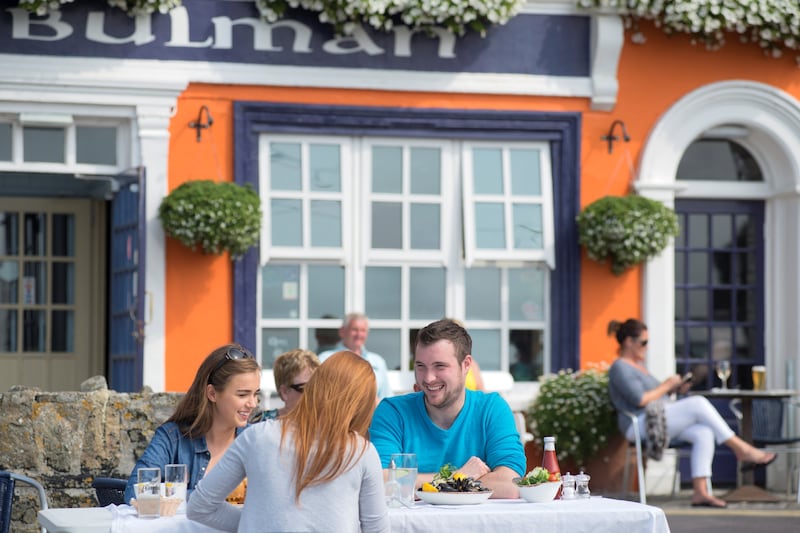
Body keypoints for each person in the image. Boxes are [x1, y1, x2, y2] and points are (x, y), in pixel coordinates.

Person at [187, 351, 389, 532]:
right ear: (362, 403)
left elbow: (199, 507)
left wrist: (258, 523)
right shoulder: (362, 452)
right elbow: (377, 530)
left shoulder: (256, 437)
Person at [607, 318, 776, 508]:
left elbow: (657, 396)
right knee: (698, 403)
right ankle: (741, 449)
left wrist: (676, 388)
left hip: (657, 420)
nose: (646, 347)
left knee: (704, 432)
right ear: (629, 341)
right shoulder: (620, 367)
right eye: (643, 342)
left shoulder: (640, 367)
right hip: (638, 424)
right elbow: (640, 400)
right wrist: (667, 385)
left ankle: (700, 492)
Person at [369, 318, 526, 499]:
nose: (428, 378)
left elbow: (509, 485)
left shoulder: (491, 408)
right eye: (420, 366)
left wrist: (425, 484)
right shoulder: (393, 412)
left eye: (440, 366)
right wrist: (460, 477)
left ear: (466, 365)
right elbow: (381, 483)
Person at [123, 343, 261, 504]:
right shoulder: (172, 438)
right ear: (212, 393)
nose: (252, 403)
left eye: (256, 394)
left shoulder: (256, 440)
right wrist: (205, 496)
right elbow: (135, 491)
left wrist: (176, 495)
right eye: (243, 394)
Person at [318, 312, 391, 400]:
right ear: (342, 332)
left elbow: (386, 396)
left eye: (363, 330)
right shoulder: (326, 359)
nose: (359, 334)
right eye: (354, 329)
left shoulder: (378, 362)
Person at [249, 348, 320, 422]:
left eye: (318, 387)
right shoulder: (259, 426)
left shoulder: (327, 425)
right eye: (305, 388)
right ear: (284, 392)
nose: (314, 394)